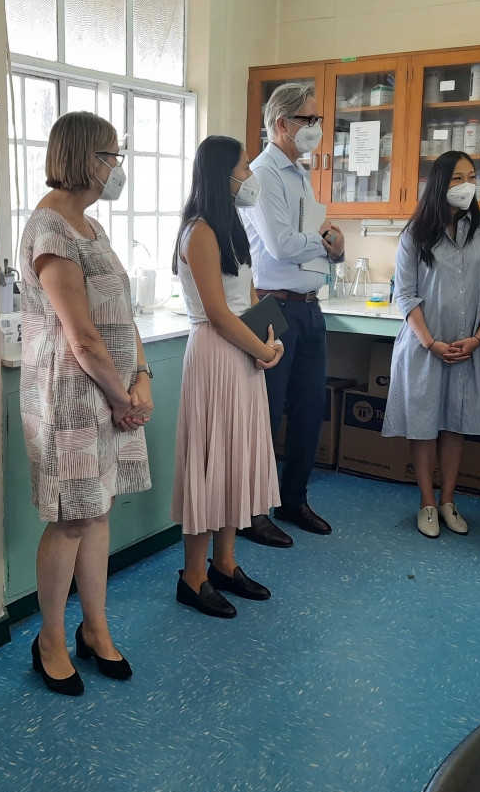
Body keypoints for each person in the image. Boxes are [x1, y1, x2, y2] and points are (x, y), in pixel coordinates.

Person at [18, 110, 152, 695]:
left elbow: (122, 313)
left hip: (112, 395)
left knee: (99, 511)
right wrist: (123, 396)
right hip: (72, 399)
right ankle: (50, 637)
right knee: (71, 519)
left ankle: (94, 628)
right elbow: (82, 336)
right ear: (84, 159)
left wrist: (141, 375)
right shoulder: (52, 231)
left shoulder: (90, 227)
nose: (117, 168)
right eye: (111, 156)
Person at [170, 135, 284, 618]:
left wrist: (268, 337)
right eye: (243, 167)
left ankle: (225, 563)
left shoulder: (230, 224)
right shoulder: (198, 231)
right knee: (210, 460)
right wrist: (261, 348)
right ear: (223, 174)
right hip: (217, 354)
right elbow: (216, 312)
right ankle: (193, 576)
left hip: (243, 354)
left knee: (235, 459)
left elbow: (247, 297)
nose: (249, 176)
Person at [238, 82, 345, 547]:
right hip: (271, 307)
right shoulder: (262, 175)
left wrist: (333, 247)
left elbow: (315, 241)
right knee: (267, 413)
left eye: (318, 120)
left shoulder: (300, 174)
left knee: (307, 411)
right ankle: (252, 511)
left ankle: (294, 499)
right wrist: (323, 241)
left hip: (308, 307)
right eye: (308, 120)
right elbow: (282, 246)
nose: (316, 128)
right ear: (281, 124)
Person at [383, 152, 480, 538]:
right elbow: (405, 295)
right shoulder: (415, 233)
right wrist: (431, 343)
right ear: (440, 183)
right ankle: (426, 502)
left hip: (471, 345)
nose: (466, 185)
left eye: (471, 177)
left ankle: (448, 500)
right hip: (425, 345)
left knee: (457, 422)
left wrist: (477, 338)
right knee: (423, 424)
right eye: (456, 178)